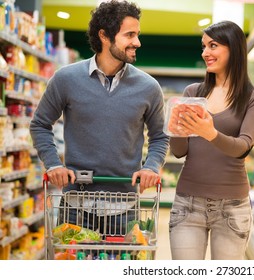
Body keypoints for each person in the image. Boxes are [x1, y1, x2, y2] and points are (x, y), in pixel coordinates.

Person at [30, 0, 169, 234]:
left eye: (137, 34)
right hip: (75, 206)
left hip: (124, 208)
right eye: (130, 34)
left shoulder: (148, 87)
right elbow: (40, 124)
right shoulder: (66, 79)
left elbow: (160, 137)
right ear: (105, 36)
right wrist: (53, 163)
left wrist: (151, 167)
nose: (137, 42)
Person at [168, 20, 254, 260]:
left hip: (232, 208)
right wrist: (176, 131)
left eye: (213, 45)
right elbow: (179, 152)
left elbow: (243, 147)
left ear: (233, 48)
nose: (205, 53)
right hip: (188, 204)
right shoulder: (193, 93)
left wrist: (209, 132)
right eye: (203, 47)